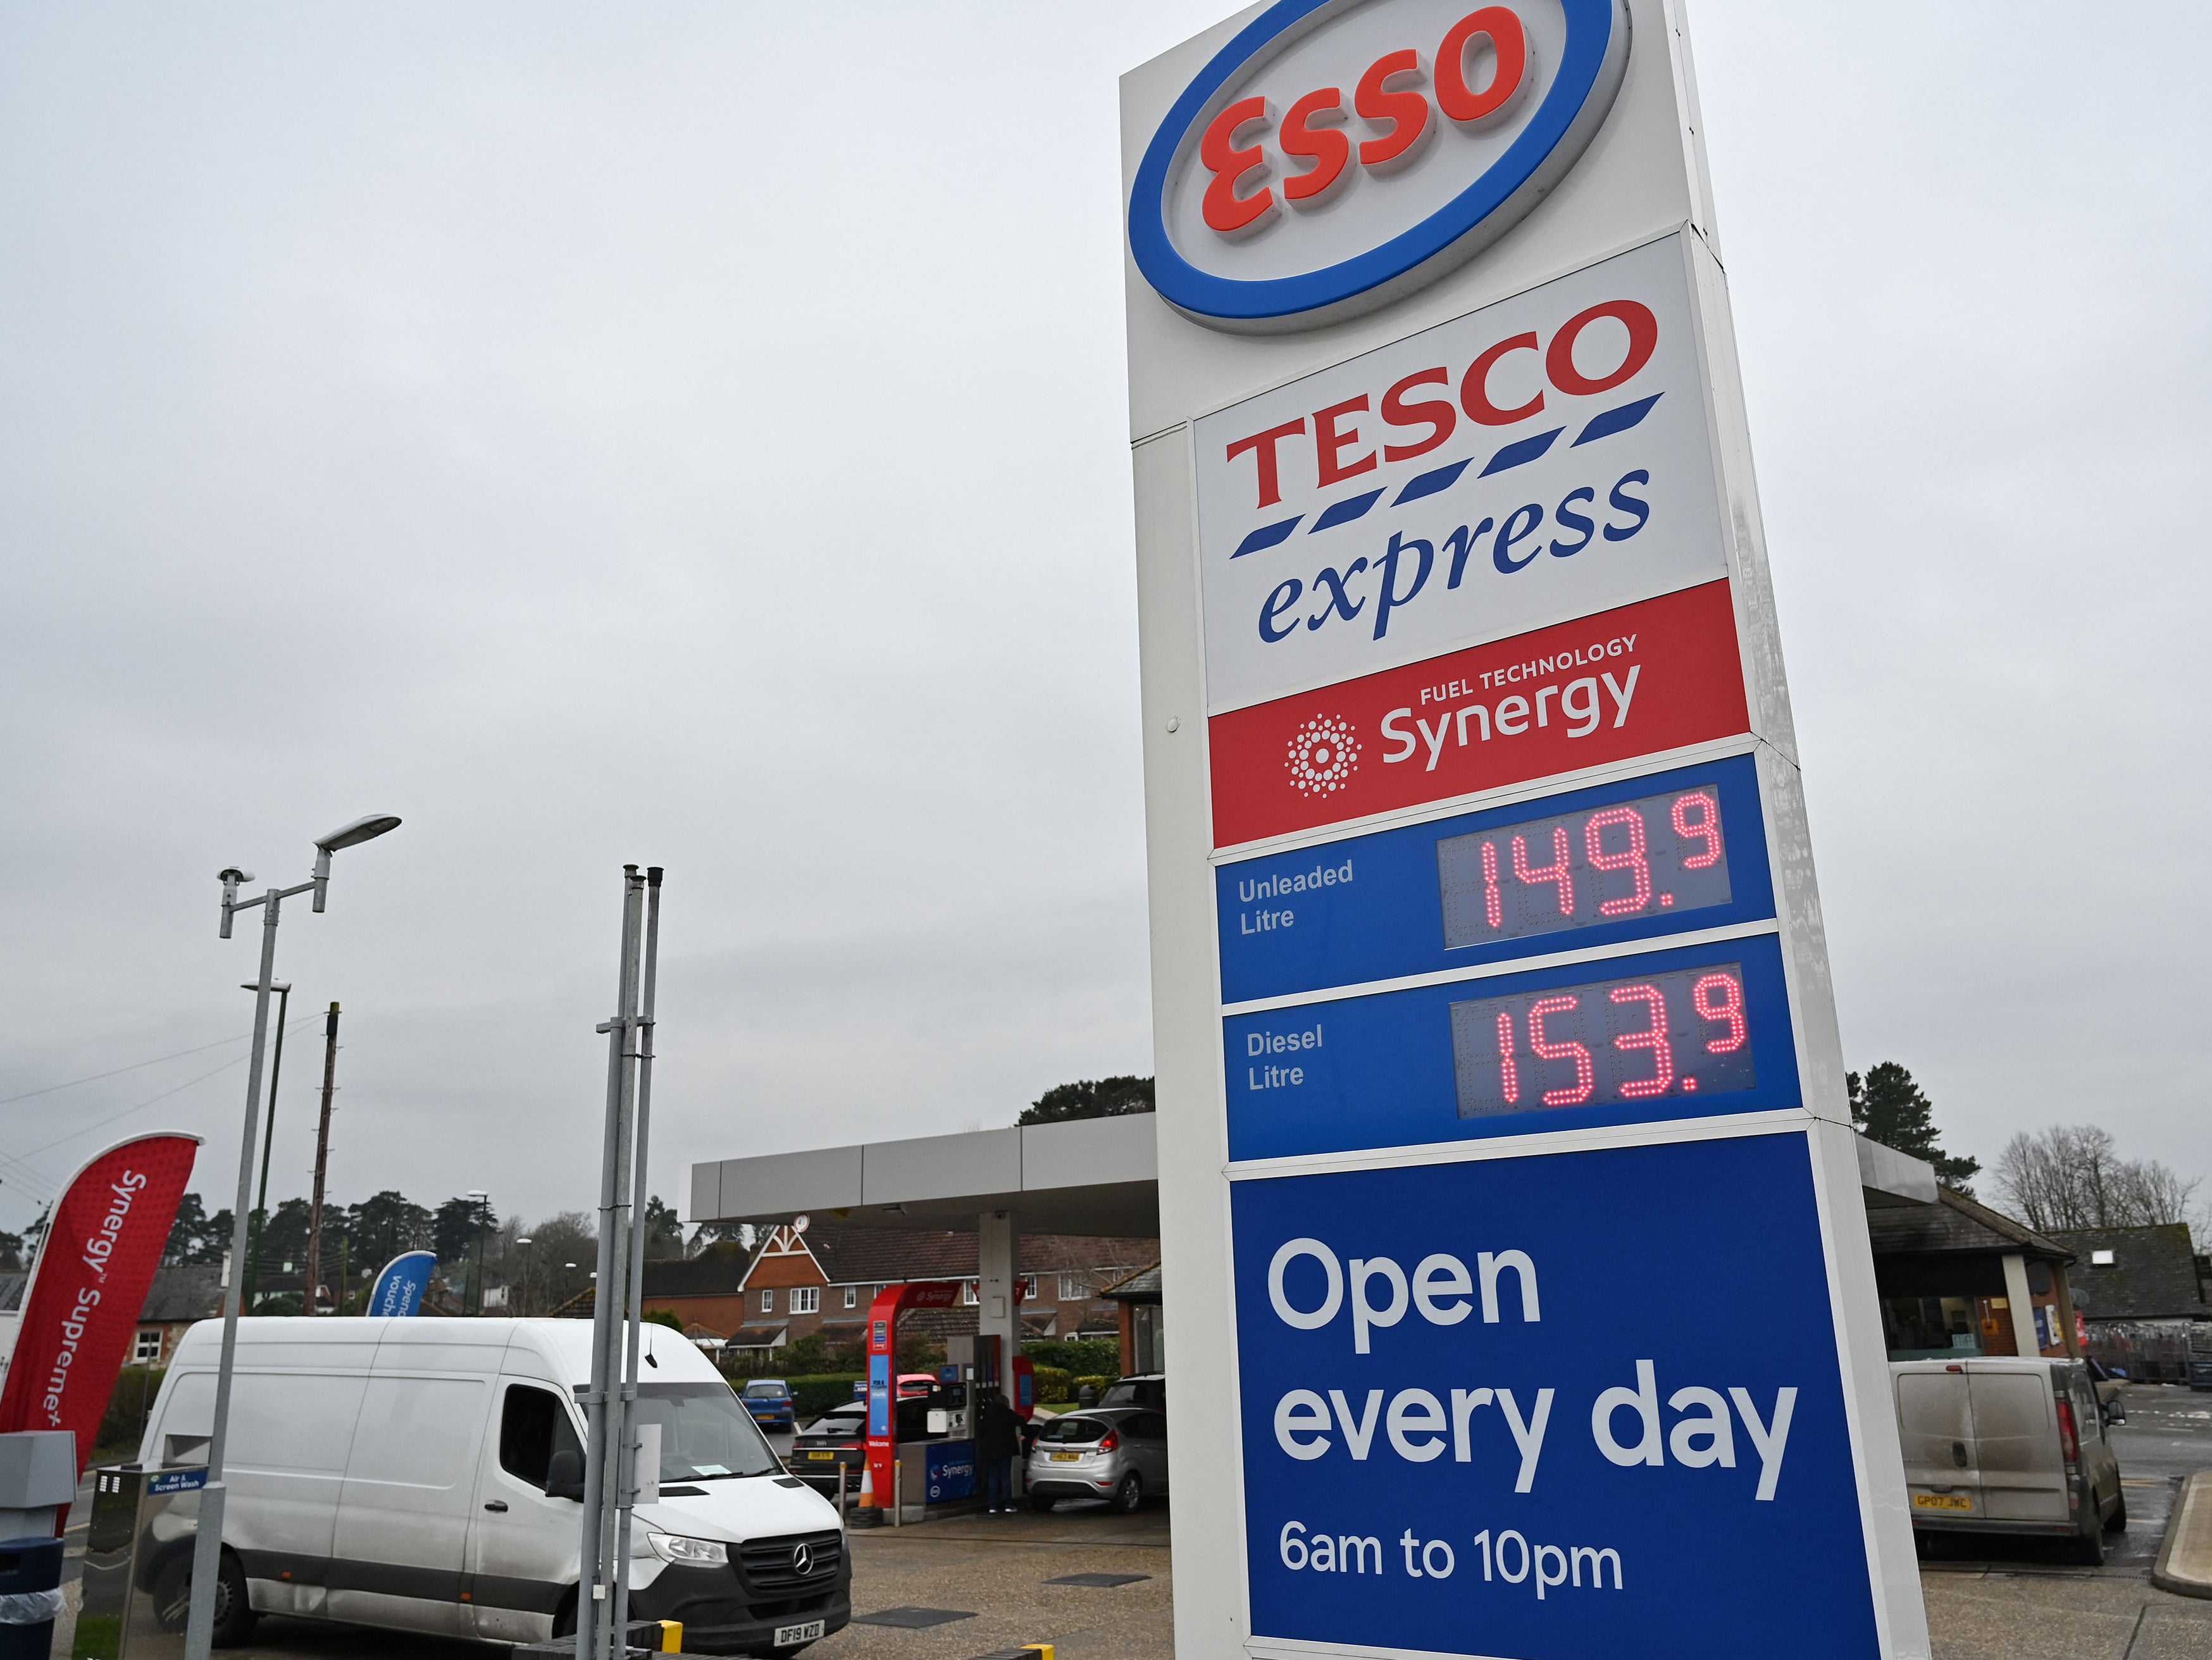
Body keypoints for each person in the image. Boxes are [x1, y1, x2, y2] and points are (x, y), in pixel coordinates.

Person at [976, 1389, 1022, 1514]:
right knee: (1005, 1476)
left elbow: (980, 1432)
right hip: (1006, 1450)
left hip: (990, 1451)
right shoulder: (1008, 1414)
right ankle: (1008, 1504)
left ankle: (992, 1506)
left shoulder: (987, 1415)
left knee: (993, 1477)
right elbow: (1023, 1421)